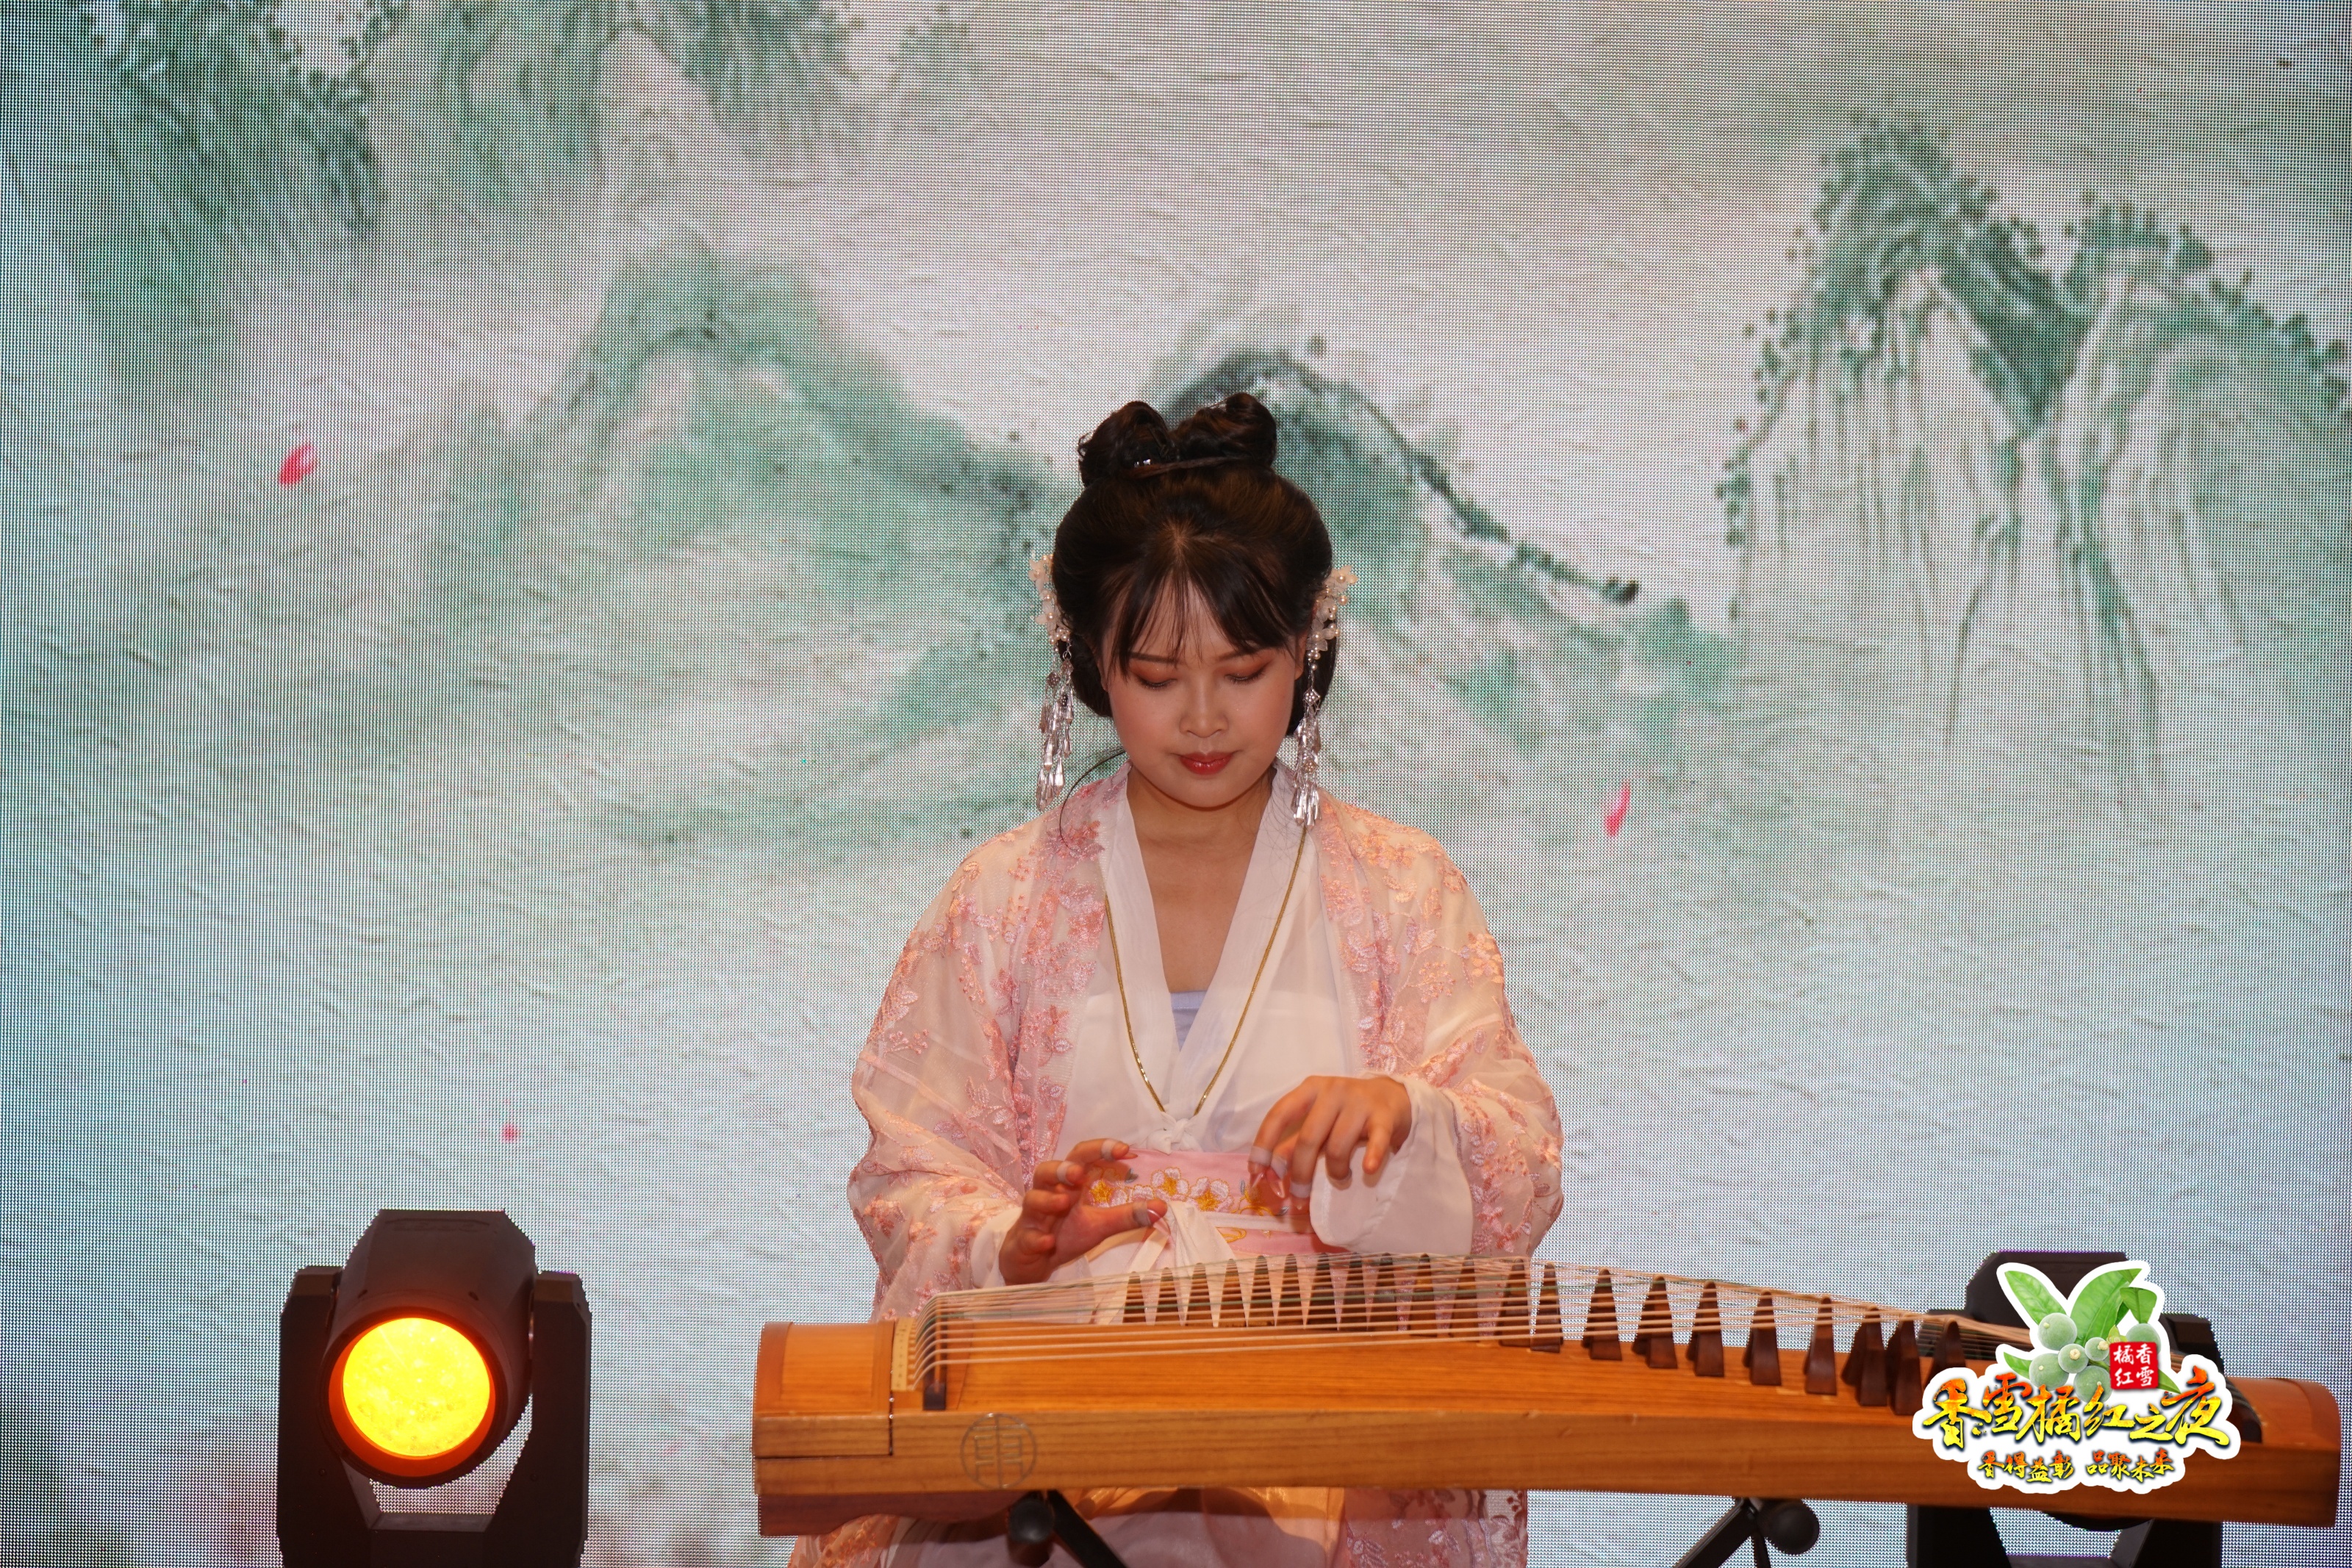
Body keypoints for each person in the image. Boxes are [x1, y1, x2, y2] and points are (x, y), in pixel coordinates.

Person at [795, 393, 1563, 1568]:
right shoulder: (1004, 896)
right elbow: (911, 1166)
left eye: (1244, 670)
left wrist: (1405, 1117)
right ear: (1091, 666)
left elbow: (1519, 1149)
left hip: (1323, 1440)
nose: (1204, 717)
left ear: (1307, 653)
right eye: (1157, 676)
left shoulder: (1398, 885)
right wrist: (1015, 1240)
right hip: (1050, 1451)